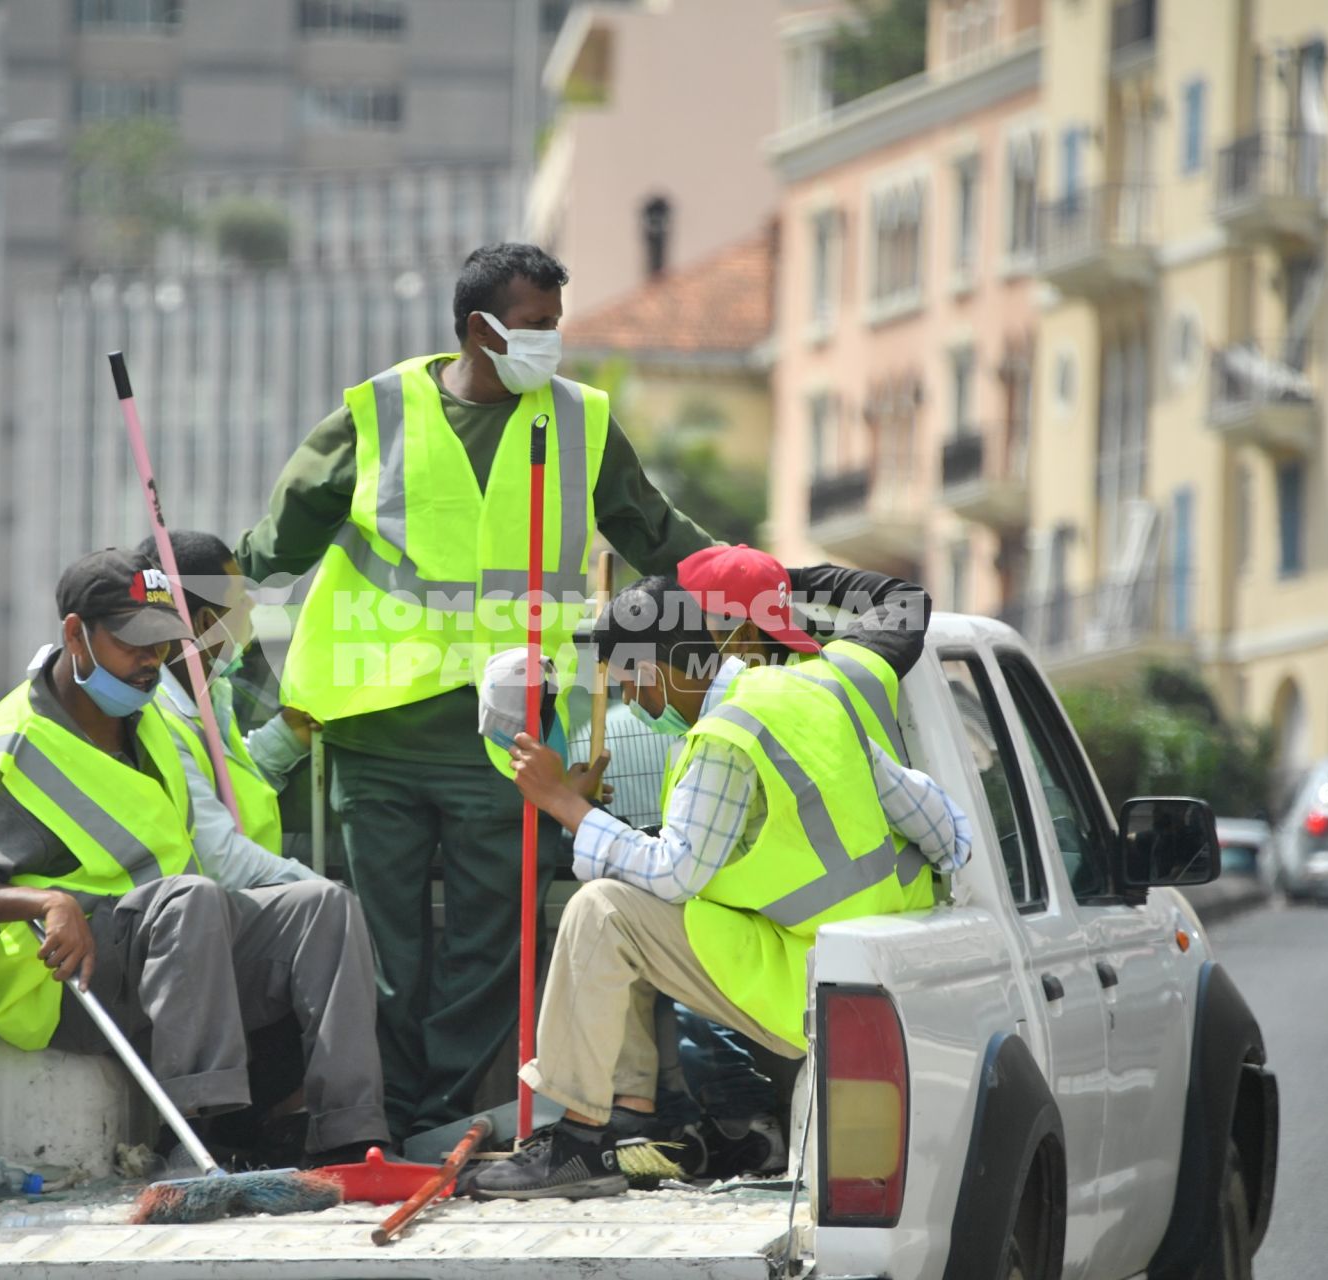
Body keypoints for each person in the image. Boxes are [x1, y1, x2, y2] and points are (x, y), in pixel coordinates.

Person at [236, 242, 717, 1139]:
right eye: (534, 326)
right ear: (478, 328)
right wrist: (195, 599)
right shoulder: (377, 414)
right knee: (385, 943)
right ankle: (376, 1111)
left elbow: (659, 534)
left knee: (486, 947)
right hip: (375, 728)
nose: (551, 344)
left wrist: (756, 588)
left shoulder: (578, 421)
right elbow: (275, 545)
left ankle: (441, 1117)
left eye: (555, 325)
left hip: (506, 737)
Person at [468, 568, 972, 1199]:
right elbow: (946, 831)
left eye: (629, 680)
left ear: (662, 669)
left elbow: (675, 874)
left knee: (604, 912)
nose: (629, 698)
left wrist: (564, 806)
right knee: (623, 896)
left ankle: (579, 1141)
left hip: (809, 988)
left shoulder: (725, 737)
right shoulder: (821, 686)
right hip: (883, 965)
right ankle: (627, 1121)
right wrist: (779, 576)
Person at [0, 548, 389, 1166]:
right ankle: (198, 1145)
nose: (149, 663)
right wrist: (50, 901)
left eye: (162, 645)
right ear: (76, 635)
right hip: (64, 980)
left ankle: (350, 1138)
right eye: (133, 643)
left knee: (324, 906)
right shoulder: (16, 750)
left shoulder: (147, 714)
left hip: (178, 951)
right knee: (192, 898)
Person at [135, 530, 322, 891]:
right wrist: (319, 891)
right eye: (240, 598)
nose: (251, 607)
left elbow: (223, 787)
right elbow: (222, 860)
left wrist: (284, 738)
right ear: (208, 623)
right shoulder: (159, 720)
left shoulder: (209, 692)